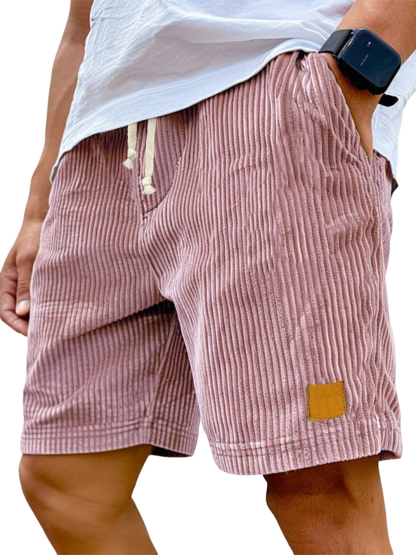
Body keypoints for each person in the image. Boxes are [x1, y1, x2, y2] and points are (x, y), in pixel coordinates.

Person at [1, 0, 415, 553]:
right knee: (66, 479)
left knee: (318, 478)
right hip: (101, 144)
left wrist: (353, 73)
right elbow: (82, 23)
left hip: (264, 95)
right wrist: (39, 205)